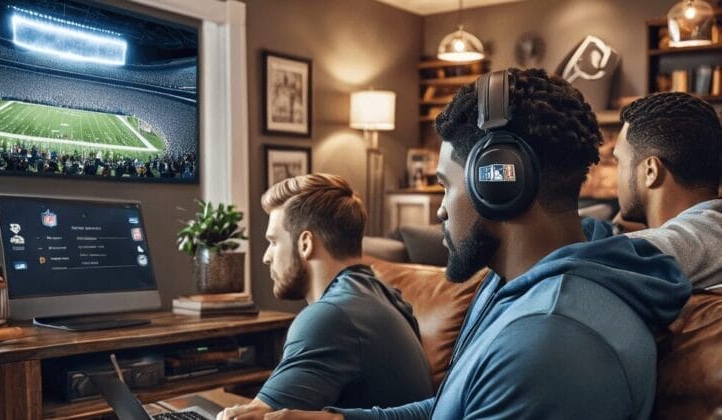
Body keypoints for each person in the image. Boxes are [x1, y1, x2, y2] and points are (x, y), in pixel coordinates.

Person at [263, 68, 691, 420]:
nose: (440, 211)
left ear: (500, 180)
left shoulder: (549, 340)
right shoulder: (516, 284)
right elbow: (457, 405)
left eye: (446, 186)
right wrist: (339, 419)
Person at [219, 173, 433, 419]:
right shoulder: (387, 296)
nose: (266, 256)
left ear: (305, 244)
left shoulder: (330, 316)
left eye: (274, 242)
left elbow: (255, 417)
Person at [613, 91, 722, 290]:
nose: (616, 177)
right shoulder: (713, 226)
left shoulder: (695, 241)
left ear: (650, 171)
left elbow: (590, 263)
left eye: (619, 162)